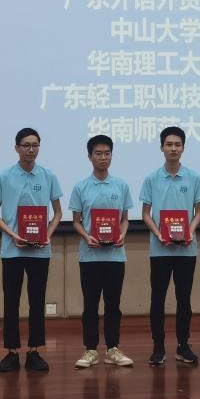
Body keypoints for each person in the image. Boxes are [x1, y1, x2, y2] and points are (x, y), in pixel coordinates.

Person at [0, 127, 63, 374]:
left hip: (40, 251)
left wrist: (47, 234)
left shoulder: (48, 176)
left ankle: (34, 350)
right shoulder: (4, 176)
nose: (31, 150)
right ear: (16, 148)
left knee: (37, 301)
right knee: (11, 301)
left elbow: (58, 213)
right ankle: (11, 352)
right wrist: (12, 234)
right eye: (26, 145)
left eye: (35, 145)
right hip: (12, 250)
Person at [139, 125, 200, 366]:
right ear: (162, 148)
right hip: (160, 249)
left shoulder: (194, 177)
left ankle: (183, 345)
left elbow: (199, 212)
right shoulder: (151, 178)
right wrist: (158, 234)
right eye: (169, 144)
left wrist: (190, 231)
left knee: (184, 299)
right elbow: (145, 213)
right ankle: (158, 347)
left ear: (183, 148)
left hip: (186, 249)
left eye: (177, 144)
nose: (173, 148)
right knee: (157, 299)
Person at [68, 134, 135, 369]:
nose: (103, 157)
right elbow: (76, 221)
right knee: (90, 305)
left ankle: (113, 349)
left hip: (116, 256)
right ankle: (90, 350)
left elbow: (125, 219)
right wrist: (86, 236)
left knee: (113, 305)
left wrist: (122, 234)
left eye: (107, 153)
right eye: (98, 153)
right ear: (90, 157)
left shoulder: (121, 185)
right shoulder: (81, 187)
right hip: (90, 256)